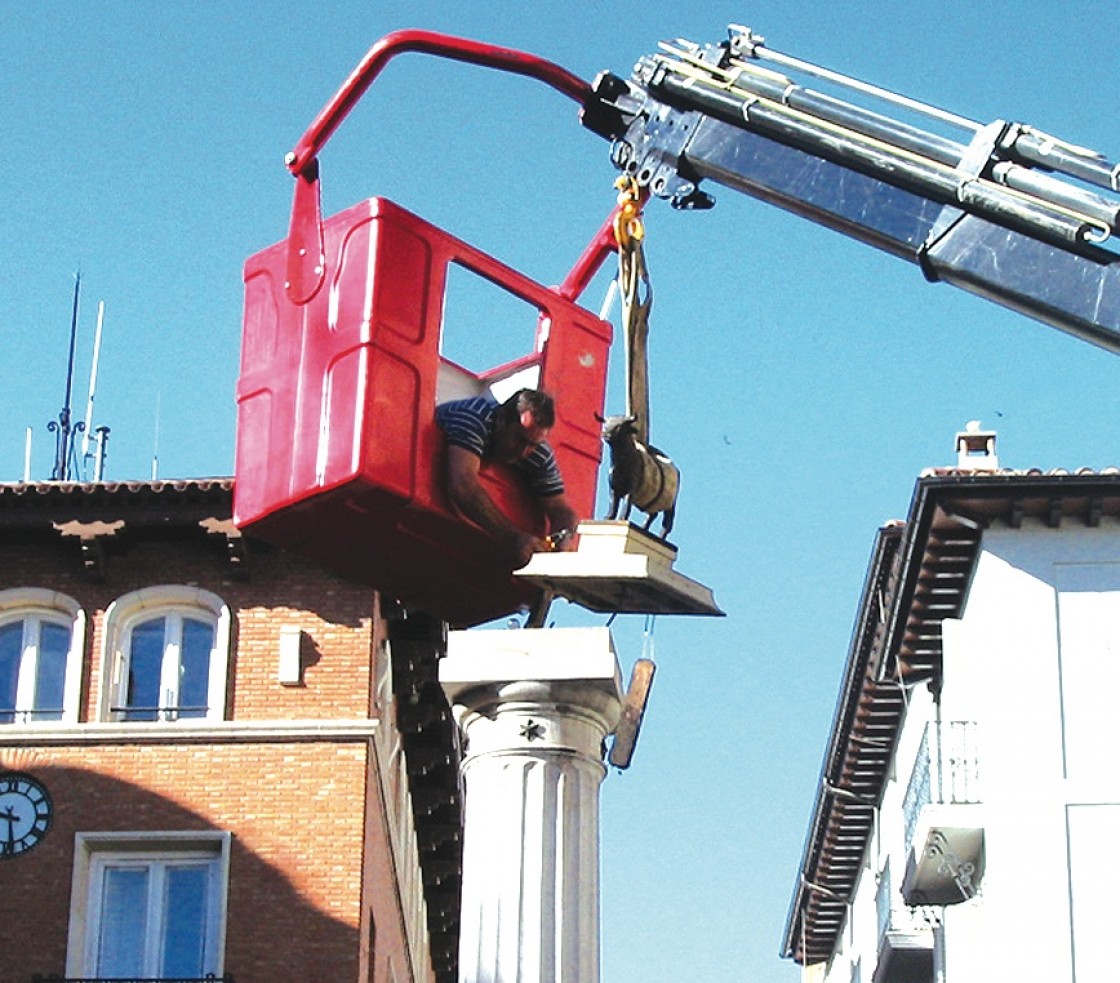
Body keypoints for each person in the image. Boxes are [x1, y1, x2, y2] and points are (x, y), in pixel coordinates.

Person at [436, 388, 580, 567]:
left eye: (532, 445)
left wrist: (564, 538)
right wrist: (514, 538)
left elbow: (560, 509)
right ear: (502, 418)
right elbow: (462, 487)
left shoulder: (539, 453)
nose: (523, 451)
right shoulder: (473, 418)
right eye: (519, 439)